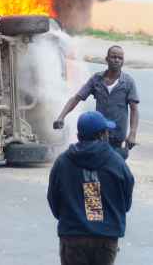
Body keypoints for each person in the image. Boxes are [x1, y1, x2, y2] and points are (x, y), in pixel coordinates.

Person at [48, 111, 134, 265]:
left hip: (73, 237)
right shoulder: (117, 163)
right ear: (102, 135)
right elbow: (126, 202)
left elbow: (54, 200)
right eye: (107, 131)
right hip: (106, 238)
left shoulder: (62, 162)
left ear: (79, 135)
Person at [54, 46, 140, 159]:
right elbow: (77, 98)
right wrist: (61, 116)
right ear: (107, 59)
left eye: (120, 58)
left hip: (117, 138)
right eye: (113, 57)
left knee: (114, 169)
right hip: (98, 136)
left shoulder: (128, 82)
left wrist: (132, 134)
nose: (117, 60)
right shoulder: (97, 79)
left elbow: (134, 109)